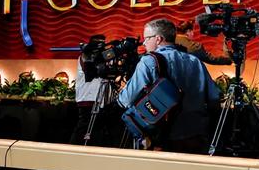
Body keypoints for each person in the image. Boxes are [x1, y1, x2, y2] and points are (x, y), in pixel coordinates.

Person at [117, 18, 217, 153]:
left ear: (158, 39)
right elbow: (214, 97)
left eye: (147, 38)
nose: (144, 43)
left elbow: (126, 100)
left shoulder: (149, 61)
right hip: (196, 135)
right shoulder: (195, 61)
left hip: (163, 138)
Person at [69, 55, 110, 146]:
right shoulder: (85, 56)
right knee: (83, 131)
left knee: (96, 133)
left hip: (98, 101)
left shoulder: (102, 57)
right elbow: (92, 71)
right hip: (87, 100)